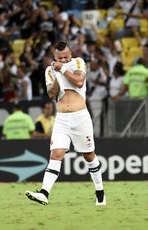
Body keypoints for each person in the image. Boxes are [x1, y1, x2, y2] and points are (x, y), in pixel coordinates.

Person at [25, 41, 106, 206]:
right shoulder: (50, 70)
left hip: (80, 117)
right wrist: (56, 76)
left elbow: (79, 82)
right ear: (54, 57)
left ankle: (100, 192)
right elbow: (51, 93)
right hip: (61, 118)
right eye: (59, 58)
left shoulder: (78, 62)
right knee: (56, 155)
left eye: (65, 57)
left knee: (89, 155)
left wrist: (62, 69)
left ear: (71, 54)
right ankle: (44, 193)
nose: (63, 60)